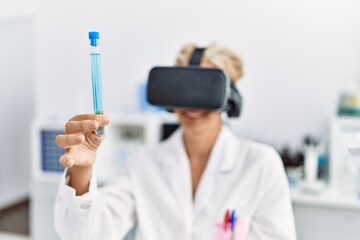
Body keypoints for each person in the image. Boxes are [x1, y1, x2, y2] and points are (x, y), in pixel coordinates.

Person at [54, 42, 297, 240]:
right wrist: (82, 170)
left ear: (230, 99)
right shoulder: (144, 163)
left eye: (203, 90)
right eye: (183, 89)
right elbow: (85, 235)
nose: (191, 105)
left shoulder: (261, 165)